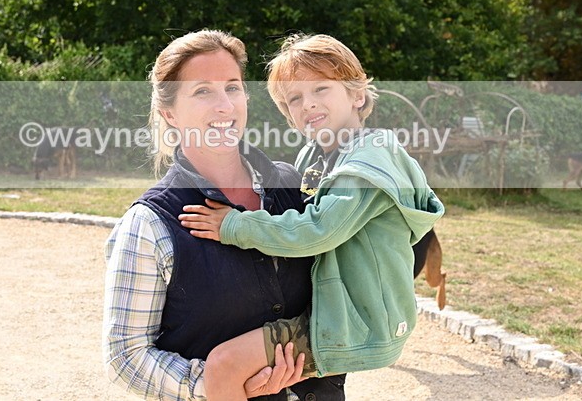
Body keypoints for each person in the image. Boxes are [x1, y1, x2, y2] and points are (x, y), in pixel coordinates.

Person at [179, 34, 445, 401]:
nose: (309, 104)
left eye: (321, 88)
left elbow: (318, 230)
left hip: (356, 324)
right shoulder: (315, 157)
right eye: (295, 99)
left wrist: (233, 225)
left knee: (224, 365)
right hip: (337, 308)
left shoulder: (367, 164)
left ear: (357, 94)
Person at [102, 30, 346, 401]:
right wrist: (222, 383)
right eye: (203, 91)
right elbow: (126, 356)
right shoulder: (149, 224)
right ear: (169, 113)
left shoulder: (297, 187)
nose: (225, 107)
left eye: (232, 88)